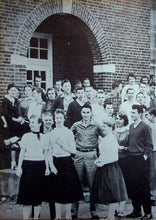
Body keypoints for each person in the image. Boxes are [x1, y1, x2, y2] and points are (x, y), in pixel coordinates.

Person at [48, 109, 84, 219]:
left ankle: (68, 214)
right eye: (57, 118)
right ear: (54, 119)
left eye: (60, 117)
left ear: (64, 119)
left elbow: (73, 151)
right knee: (56, 189)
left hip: (67, 162)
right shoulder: (52, 133)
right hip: (55, 162)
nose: (58, 120)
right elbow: (49, 151)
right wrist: (51, 166)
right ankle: (58, 215)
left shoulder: (68, 132)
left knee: (68, 189)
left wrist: (62, 145)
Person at [71, 103, 104, 219]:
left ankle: (93, 211)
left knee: (92, 184)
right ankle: (74, 211)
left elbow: (106, 137)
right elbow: (69, 138)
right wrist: (72, 153)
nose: (85, 115)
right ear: (81, 113)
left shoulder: (96, 126)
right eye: (84, 112)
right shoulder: (76, 125)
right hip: (79, 154)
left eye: (87, 112)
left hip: (91, 154)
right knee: (76, 183)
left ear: (91, 113)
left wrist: (102, 154)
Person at [91, 119, 128, 220]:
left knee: (113, 192)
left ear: (111, 128)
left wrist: (103, 162)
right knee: (107, 192)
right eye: (103, 126)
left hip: (110, 168)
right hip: (103, 167)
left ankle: (111, 216)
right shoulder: (105, 138)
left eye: (106, 126)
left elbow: (115, 157)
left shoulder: (112, 138)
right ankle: (110, 215)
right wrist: (98, 160)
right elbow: (103, 154)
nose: (103, 128)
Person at [16, 114, 51, 220]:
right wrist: (19, 167)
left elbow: (45, 154)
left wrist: (47, 167)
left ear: (40, 124)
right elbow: (22, 153)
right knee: (26, 196)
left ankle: (36, 217)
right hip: (27, 166)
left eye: (34, 122)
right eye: (30, 122)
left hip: (39, 167)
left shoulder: (44, 137)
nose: (31, 125)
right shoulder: (26, 136)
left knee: (37, 196)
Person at [126, 104, 153, 219]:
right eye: (131, 112)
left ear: (140, 113)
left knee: (143, 186)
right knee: (133, 186)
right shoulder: (131, 126)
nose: (132, 115)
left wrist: (144, 157)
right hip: (131, 159)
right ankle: (136, 211)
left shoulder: (145, 127)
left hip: (140, 159)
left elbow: (149, 145)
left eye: (134, 113)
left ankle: (148, 212)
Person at [1, 83, 24, 169]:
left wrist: (20, 118)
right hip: (8, 124)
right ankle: (11, 162)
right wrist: (16, 120)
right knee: (12, 140)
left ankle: (14, 162)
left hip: (14, 123)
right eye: (12, 90)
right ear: (8, 91)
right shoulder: (6, 101)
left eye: (15, 90)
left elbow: (16, 113)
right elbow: (5, 114)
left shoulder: (13, 100)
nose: (14, 92)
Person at [113, 112, 129, 216]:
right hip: (114, 159)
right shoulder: (113, 131)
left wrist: (124, 148)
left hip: (125, 160)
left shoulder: (128, 132)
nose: (118, 120)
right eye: (117, 118)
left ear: (124, 120)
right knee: (115, 182)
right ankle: (115, 207)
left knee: (123, 182)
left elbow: (131, 145)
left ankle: (121, 208)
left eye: (120, 119)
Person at [147, 108, 156, 206]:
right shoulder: (150, 125)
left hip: (154, 151)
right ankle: (153, 195)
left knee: (153, 174)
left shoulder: (152, 126)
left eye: (148, 115)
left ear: (152, 116)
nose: (147, 117)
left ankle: (153, 195)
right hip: (152, 151)